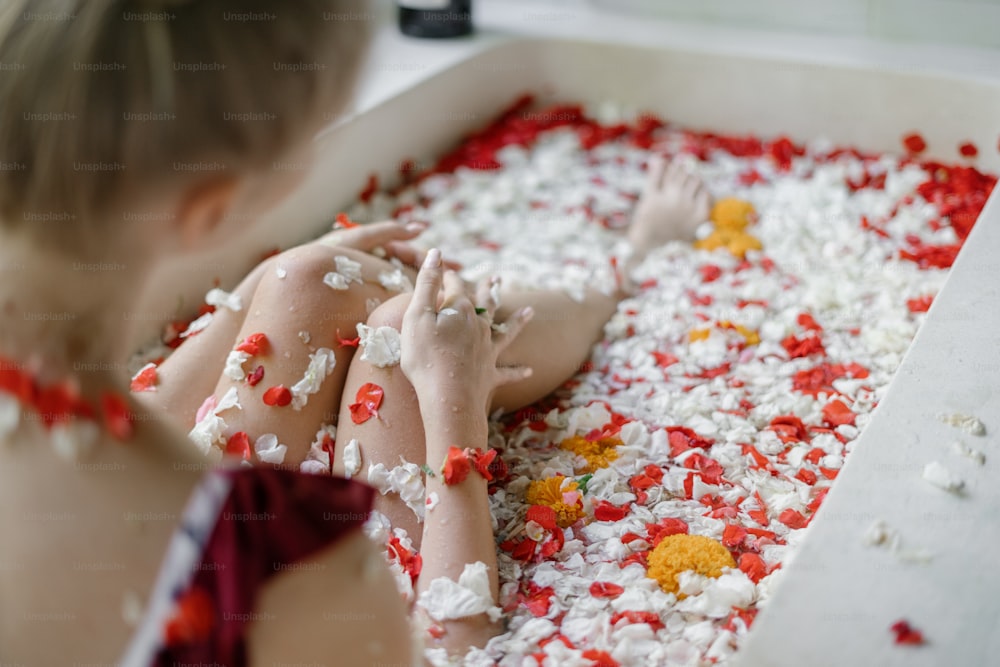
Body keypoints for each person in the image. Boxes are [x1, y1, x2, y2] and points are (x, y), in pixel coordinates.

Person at [0, 0, 711, 664]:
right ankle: (613, 278)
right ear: (210, 210)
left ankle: (604, 277)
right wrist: (454, 411)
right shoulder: (305, 579)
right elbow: (449, 643)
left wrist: (253, 291)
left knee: (308, 281)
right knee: (409, 333)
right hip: (229, 575)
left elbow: (105, 438)